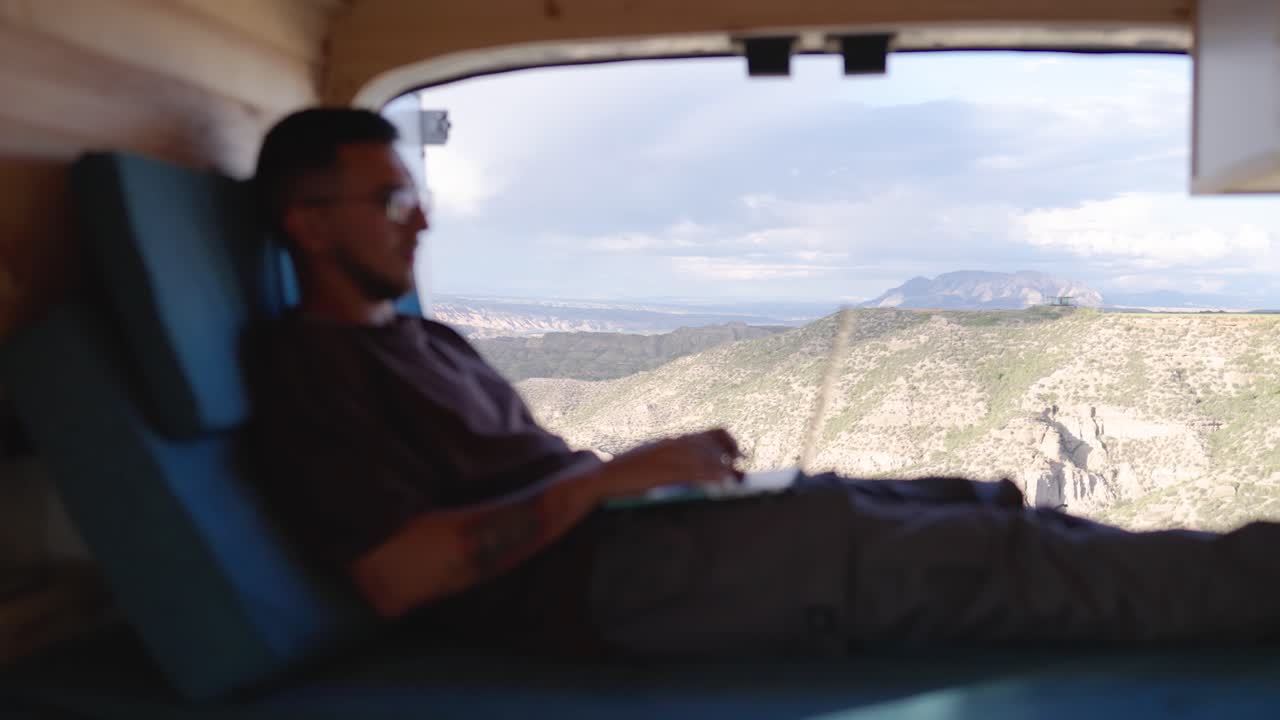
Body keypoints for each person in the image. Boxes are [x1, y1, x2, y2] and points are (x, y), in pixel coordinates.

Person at [247, 108, 1280, 658]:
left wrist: (653, 478)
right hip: (611, 590)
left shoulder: (430, 344)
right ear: (309, 220)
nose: (420, 218)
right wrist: (608, 482)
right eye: (390, 199)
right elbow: (394, 576)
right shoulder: (310, 369)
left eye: (415, 195)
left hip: (650, 537)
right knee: (994, 558)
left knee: (979, 504)